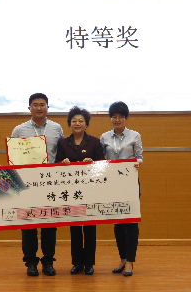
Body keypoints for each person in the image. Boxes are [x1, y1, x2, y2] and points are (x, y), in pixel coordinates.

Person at [11, 93, 64, 276]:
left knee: (49, 224)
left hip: (50, 182)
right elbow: (13, 157)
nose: (39, 108)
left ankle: (48, 261)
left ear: (48, 107)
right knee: (28, 225)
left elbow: (61, 153)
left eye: (42, 104)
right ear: (29, 108)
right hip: (27, 183)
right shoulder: (19, 130)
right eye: (35, 105)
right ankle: (31, 263)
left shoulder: (56, 128)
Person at [55, 106, 105, 275]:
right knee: (75, 228)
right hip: (71, 191)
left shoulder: (95, 142)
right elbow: (56, 164)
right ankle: (77, 263)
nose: (77, 123)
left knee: (90, 228)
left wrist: (93, 163)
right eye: (74, 121)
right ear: (69, 124)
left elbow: (103, 165)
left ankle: (89, 263)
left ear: (86, 124)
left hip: (90, 191)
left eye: (81, 121)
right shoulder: (63, 143)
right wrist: (63, 163)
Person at [100, 101, 143, 277]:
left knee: (131, 223)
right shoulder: (104, 137)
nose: (117, 120)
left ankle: (131, 261)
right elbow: (100, 158)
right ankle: (123, 259)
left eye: (120, 117)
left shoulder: (135, 135)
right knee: (118, 224)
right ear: (111, 118)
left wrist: (138, 163)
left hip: (130, 182)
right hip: (112, 183)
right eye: (114, 117)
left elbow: (139, 156)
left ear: (126, 118)